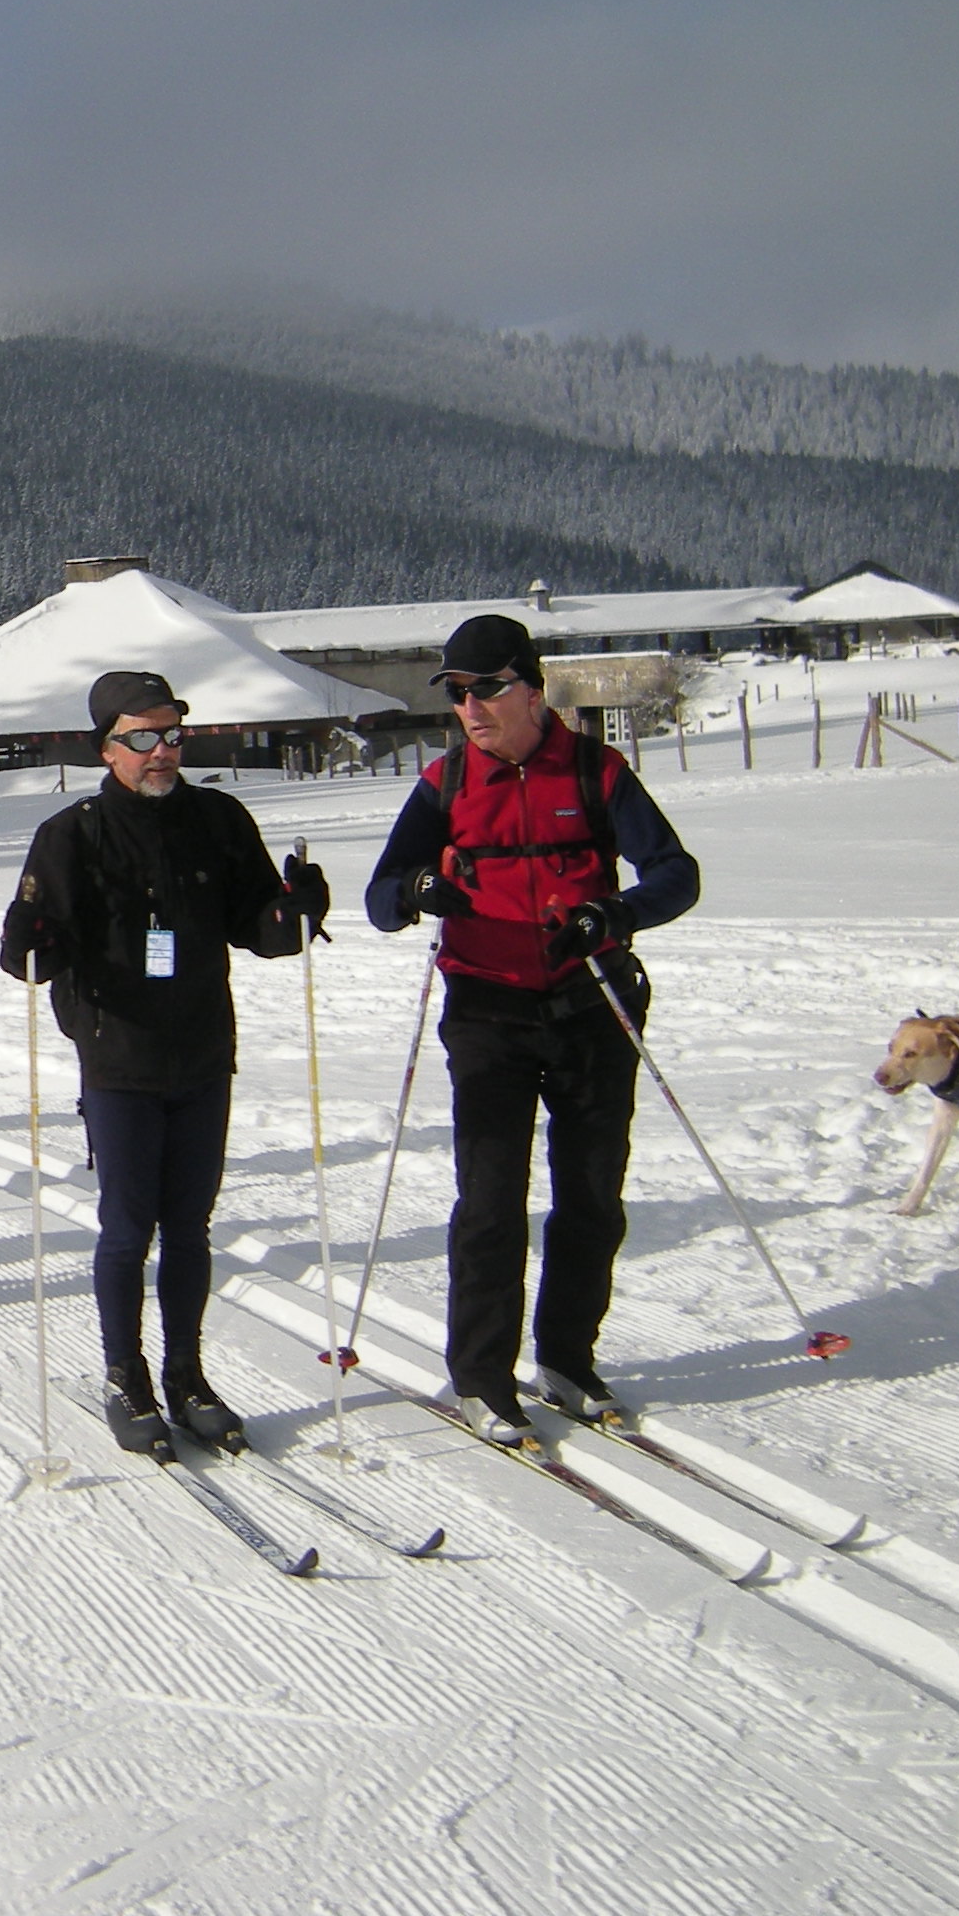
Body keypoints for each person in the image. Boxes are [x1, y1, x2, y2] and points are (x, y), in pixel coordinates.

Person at [366, 614, 698, 1444]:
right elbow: (379, 899)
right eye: (457, 693)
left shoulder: (595, 770)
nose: (470, 708)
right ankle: (482, 1378)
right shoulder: (444, 782)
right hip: (488, 1012)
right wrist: (417, 889)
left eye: (487, 688)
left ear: (532, 689)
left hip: (592, 1004)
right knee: (490, 1201)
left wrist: (612, 914)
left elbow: (676, 874)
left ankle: (567, 1361)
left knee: (591, 1195)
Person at [0, 672, 330, 1454]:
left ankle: (187, 1374)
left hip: (203, 1051)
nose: (162, 752)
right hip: (119, 1056)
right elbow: (33, 955)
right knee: (127, 1228)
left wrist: (298, 909)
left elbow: (260, 927)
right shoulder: (73, 835)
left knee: (190, 1227)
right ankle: (126, 1375)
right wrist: (26, 941)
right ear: (106, 749)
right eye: (142, 737)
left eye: (173, 734)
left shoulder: (218, 818)